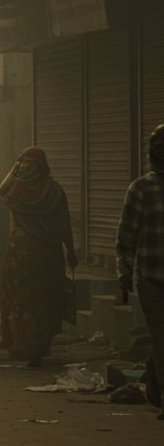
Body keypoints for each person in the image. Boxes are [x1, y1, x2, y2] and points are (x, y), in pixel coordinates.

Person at [0, 146, 78, 368]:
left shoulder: (16, 190)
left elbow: (0, 190)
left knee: (19, 299)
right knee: (45, 298)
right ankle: (40, 347)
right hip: (48, 252)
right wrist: (71, 251)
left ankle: (22, 345)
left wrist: (15, 168)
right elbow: (64, 224)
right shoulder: (54, 190)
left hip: (20, 253)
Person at [118, 124, 164, 416]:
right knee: (160, 336)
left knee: (161, 338)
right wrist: (124, 270)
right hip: (152, 278)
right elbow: (128, 234)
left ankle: (154, 385)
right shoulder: (141, 188)